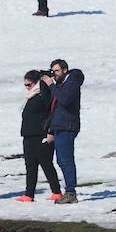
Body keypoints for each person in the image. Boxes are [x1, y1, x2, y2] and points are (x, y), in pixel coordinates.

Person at [16, 70, 63, 203]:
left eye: (29, 84)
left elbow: (51, 111)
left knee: (46, 164)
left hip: (41, 135)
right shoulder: (30, 97)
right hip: (28, 135)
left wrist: (50, 132)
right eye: (25, 84)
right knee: (30, 165)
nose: (26, 87)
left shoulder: (43, 95)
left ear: (36, 83)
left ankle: (56, 191)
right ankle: (29, 194)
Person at [41, 59, 84, 204]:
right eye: (53, 71)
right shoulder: (61, 84)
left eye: (57, 71)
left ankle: (71, 192)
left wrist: (52, 85)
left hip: (67, 126)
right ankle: (69, 190)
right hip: (59, 126)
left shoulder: (72, 82)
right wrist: (51, 129)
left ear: (65, 70)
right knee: (61, 160)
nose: (54, 74)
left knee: (66, 160)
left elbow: (64, 100)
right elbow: (54, 106)